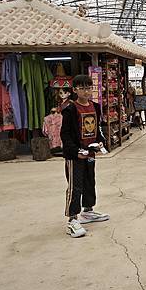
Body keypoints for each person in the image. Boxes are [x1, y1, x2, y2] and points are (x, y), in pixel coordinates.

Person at [60, 75, 110, 238]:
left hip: (90, 153)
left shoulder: (95, 106)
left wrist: (100, 142)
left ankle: (88, 211)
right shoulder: (70, 109)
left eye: (89, 88)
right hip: (76, 156)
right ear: (74, 90)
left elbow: (98, 128)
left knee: (90, 181)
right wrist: (75, 151)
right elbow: (65, 135)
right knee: (76, 186)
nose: (86, 91)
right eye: (82, 88)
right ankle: (72, 219)